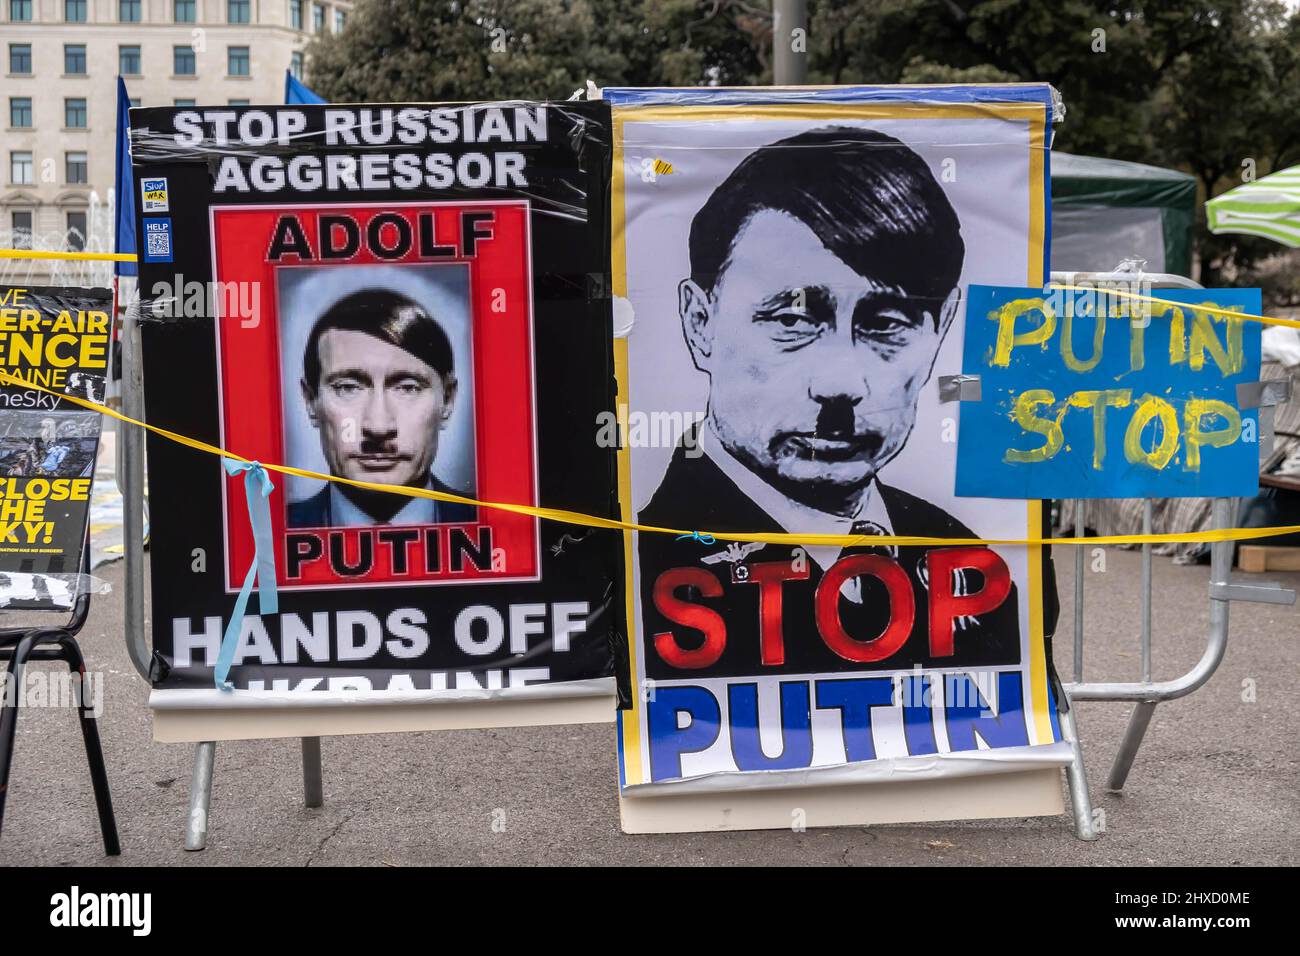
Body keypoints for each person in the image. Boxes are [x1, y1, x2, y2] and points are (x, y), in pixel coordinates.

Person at [638, 126, 1054, 677]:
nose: (841, 385)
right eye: (791, 320)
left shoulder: (966, 560)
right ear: (700, 323)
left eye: (886, 323)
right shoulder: (642, 561)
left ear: (944, 325)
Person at [288, 287, 476, 528]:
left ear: (447, 400)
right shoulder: (268, 533)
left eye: (408, 388)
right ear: (310, 401)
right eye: (348, 387)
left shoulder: (497, 524)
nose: (378, 426)